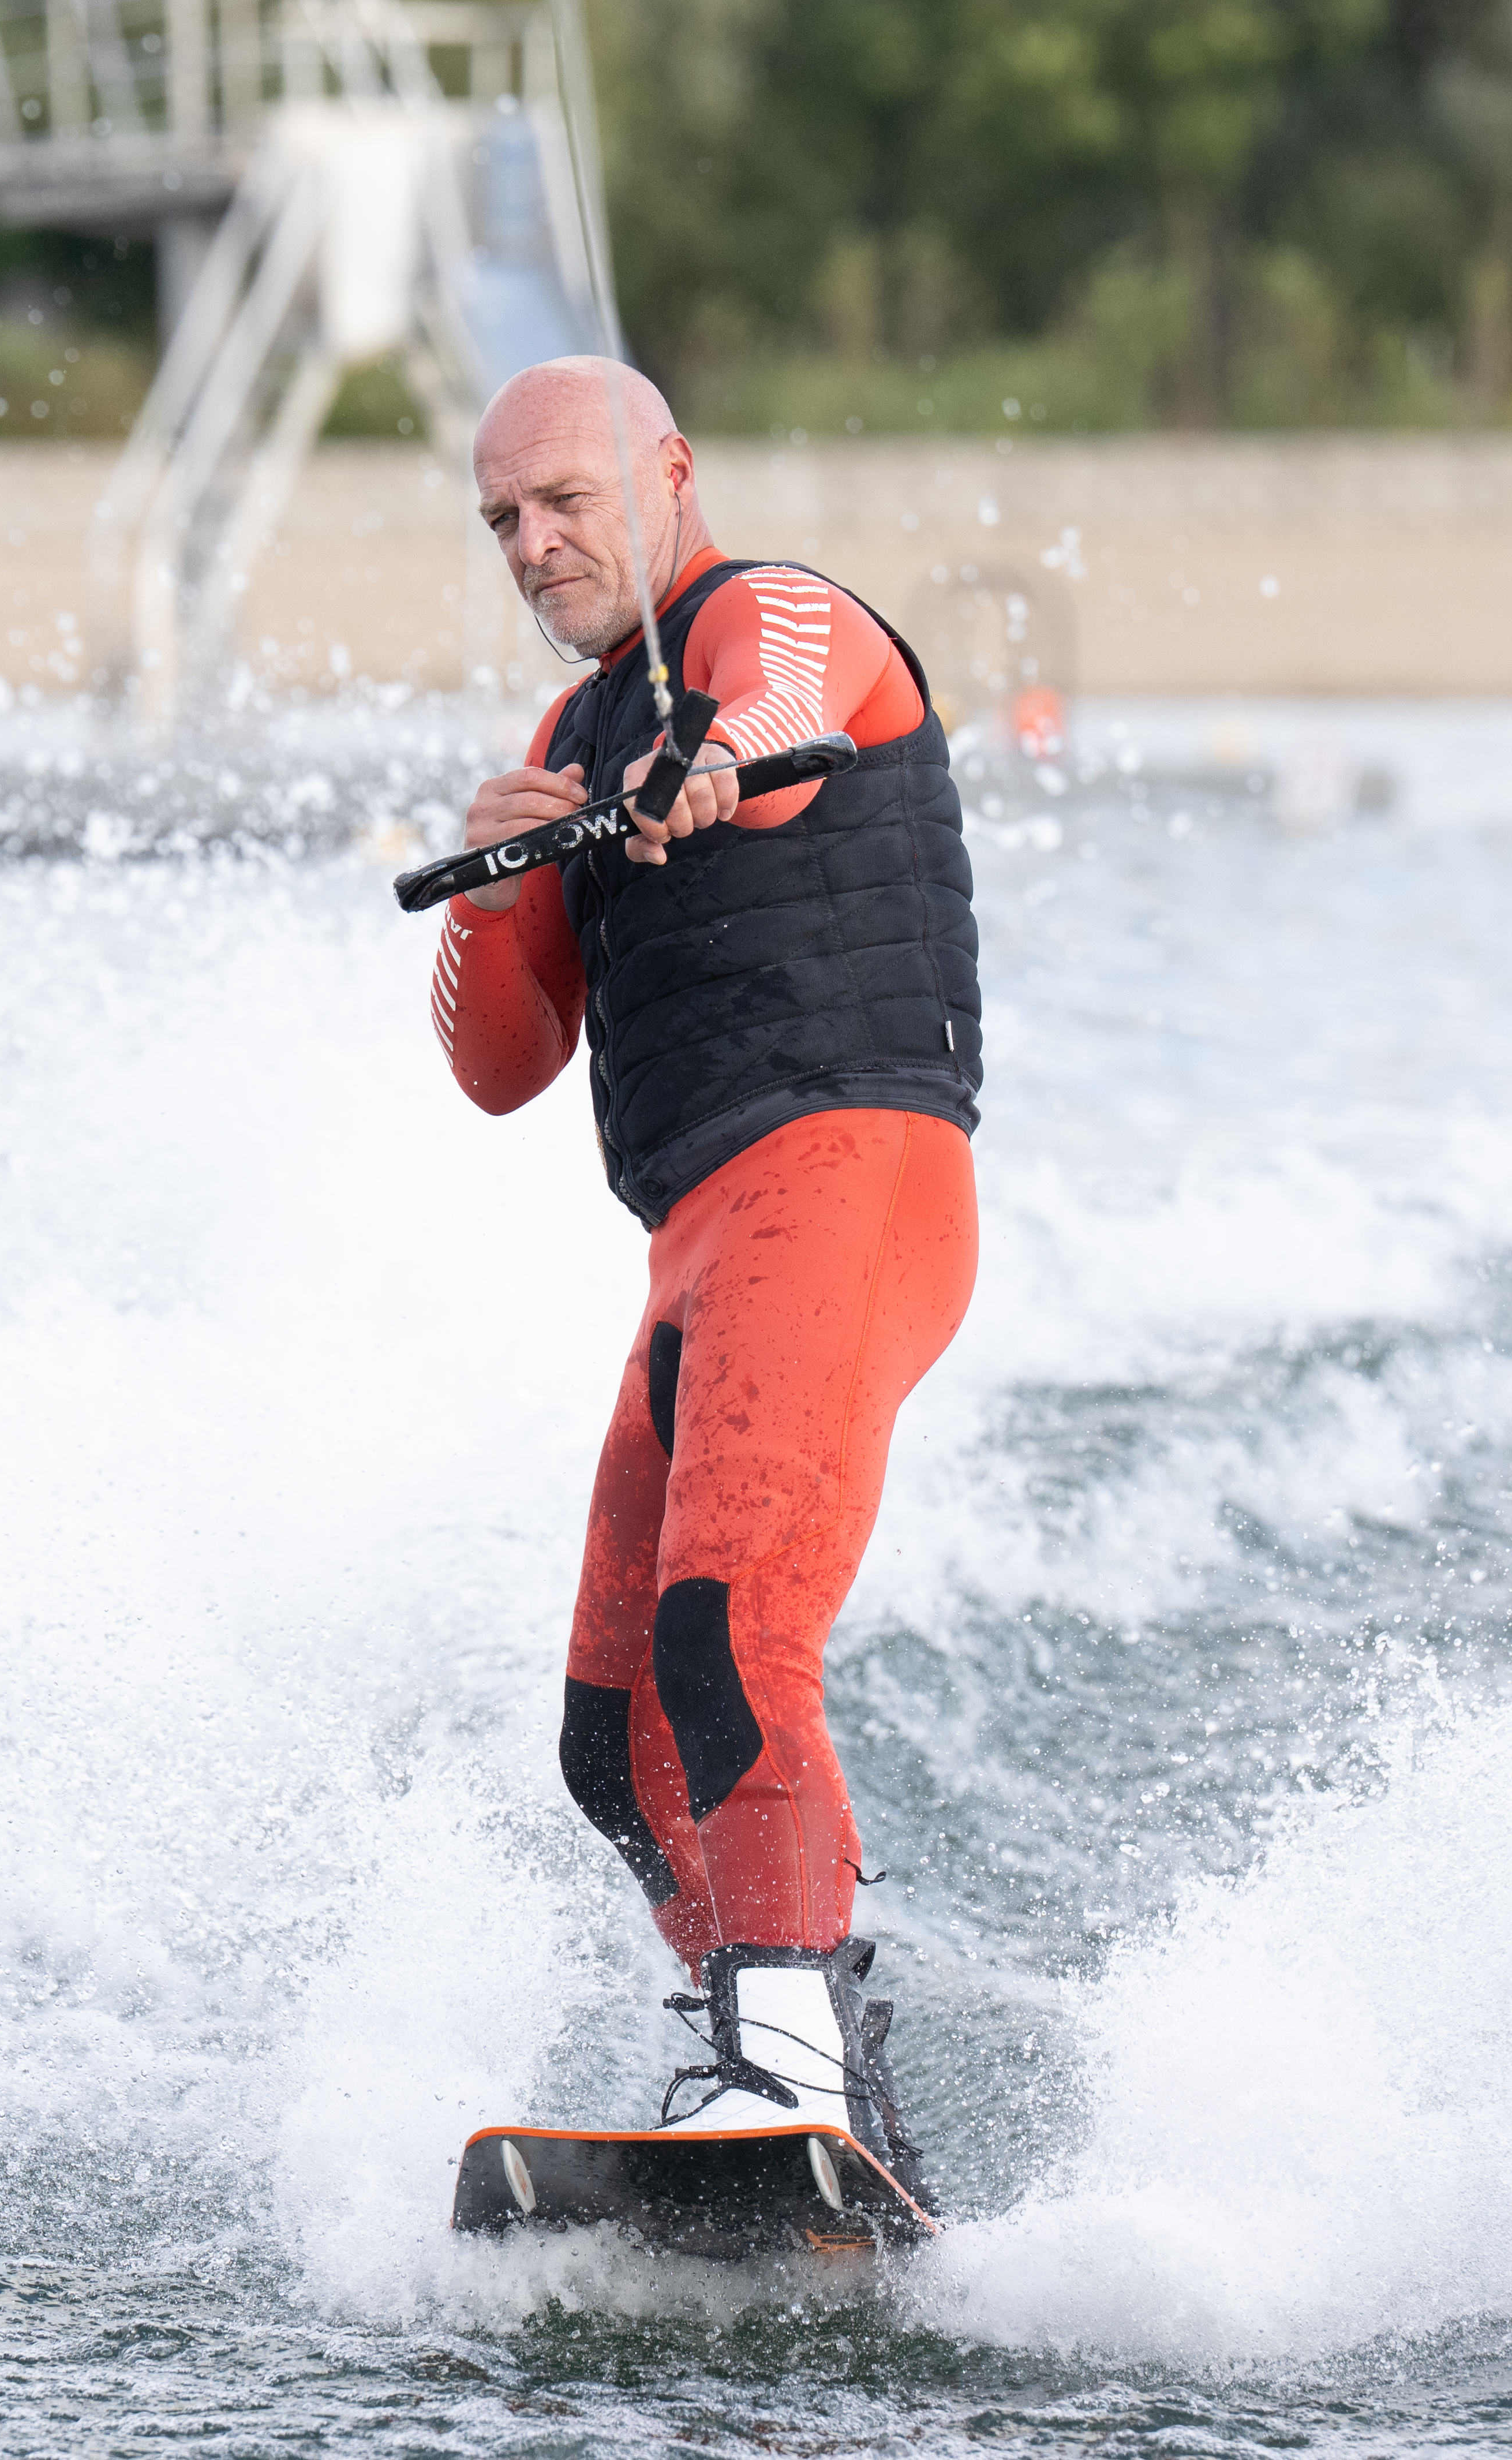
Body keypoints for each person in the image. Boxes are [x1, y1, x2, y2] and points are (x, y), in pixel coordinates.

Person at [433, 358, 980, 2183]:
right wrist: (514, 874)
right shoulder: (575, 735)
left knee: (731, 1632)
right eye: (503, 517)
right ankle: (817, 2049)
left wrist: (712, 764)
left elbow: (780, 717)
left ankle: (790, 2065)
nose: (532, 541)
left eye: (566, 501)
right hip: (700, 1254)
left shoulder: (777, 619)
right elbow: (499, 1071)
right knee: (612, 1741)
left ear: (668, 476)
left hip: (849, 1176)